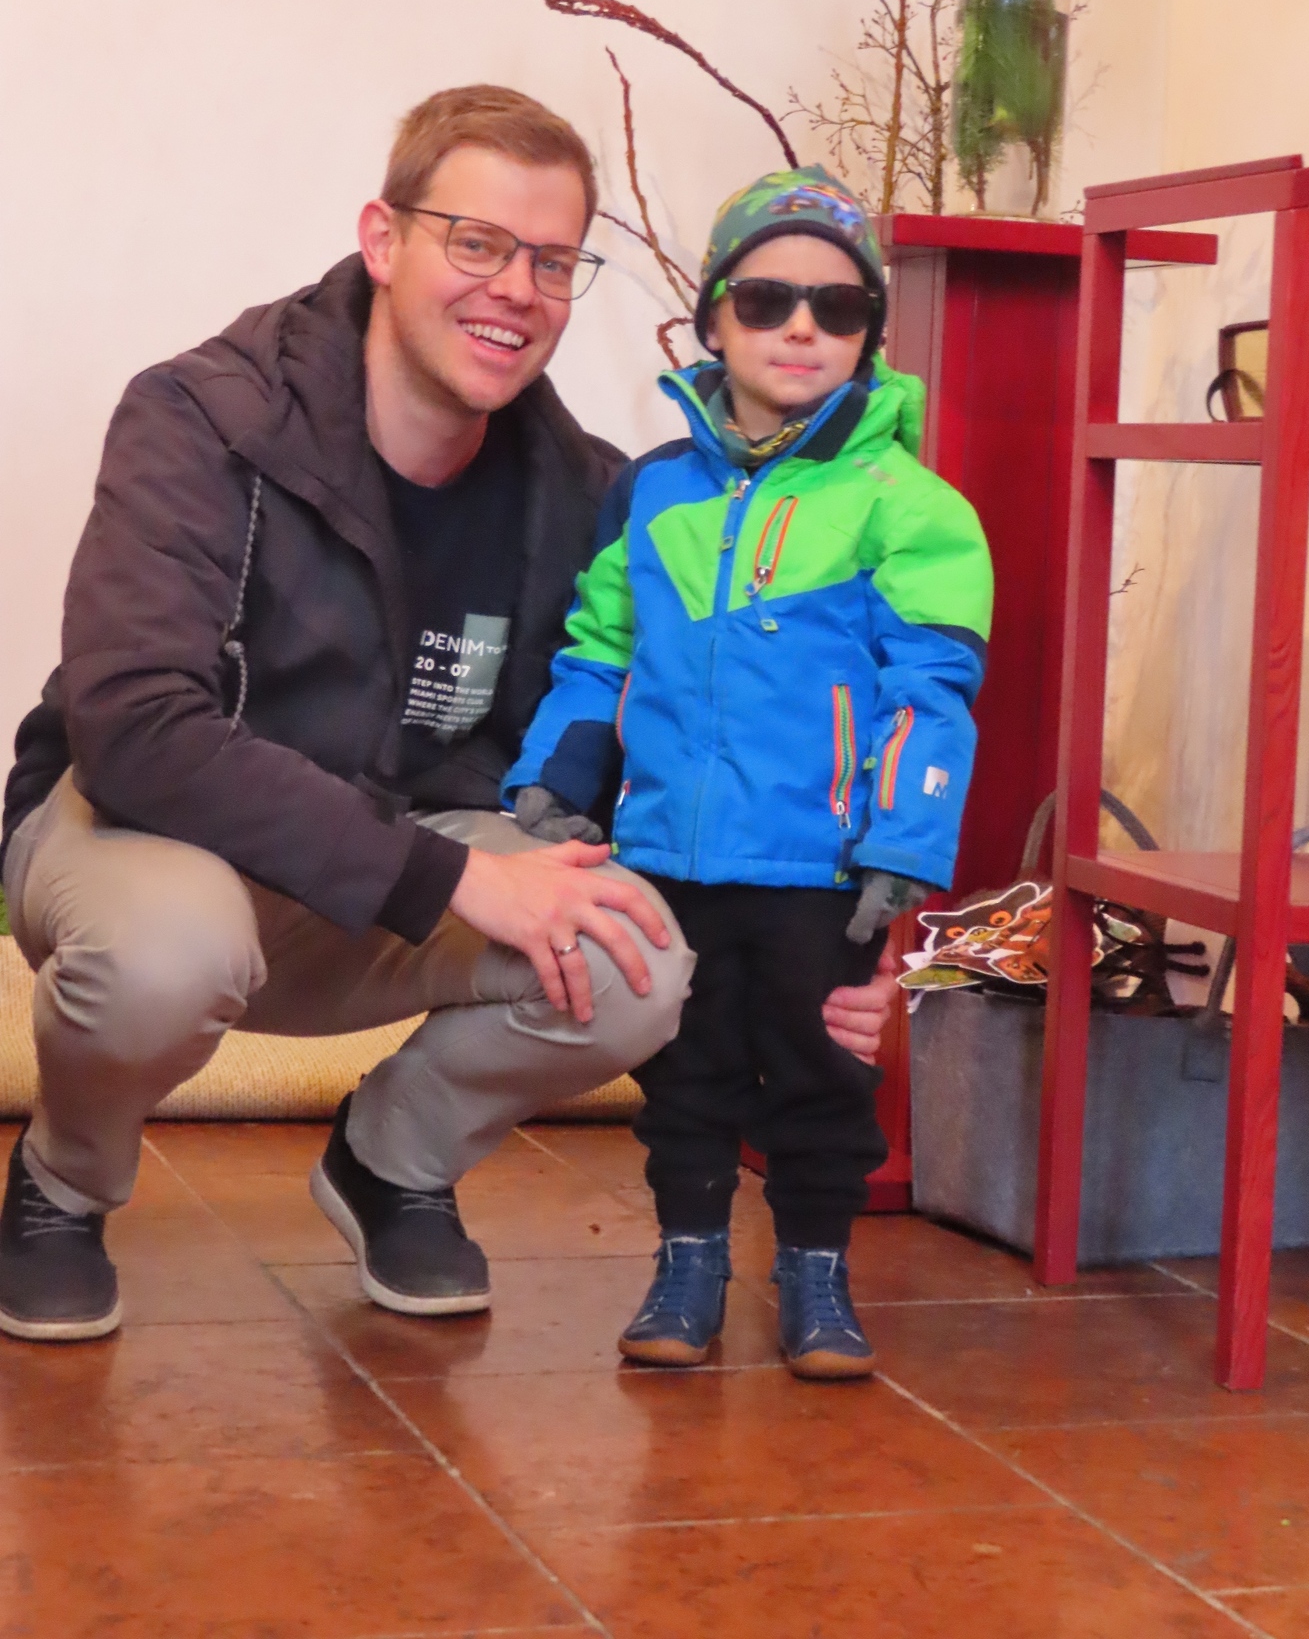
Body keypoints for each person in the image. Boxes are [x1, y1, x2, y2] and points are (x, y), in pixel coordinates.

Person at [0, 91, 899, 1344]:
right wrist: (462, 881)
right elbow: (135, 727)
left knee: (640, 956)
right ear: (383, 240)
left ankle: (390, 1160)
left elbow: (687, 746)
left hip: (399, 859)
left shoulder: (587, 492)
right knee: (165, 960)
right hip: (155, 838)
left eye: (552, 261)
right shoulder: (203, 417)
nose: (514, 290)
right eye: (476, 243)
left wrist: (830, 951)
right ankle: (62, 1184)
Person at [506, 166, 993, 1380]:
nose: (802, 329)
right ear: (713, 319)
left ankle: (817, 1272)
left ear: (871, 332)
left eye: (840, 308)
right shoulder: (651, 490)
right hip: (668, 852)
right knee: (686, 1075)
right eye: (769, 299)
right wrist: (556, 778)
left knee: (824, 1067)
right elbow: (601, 652)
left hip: (821, 867)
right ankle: (688, 1262)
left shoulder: (910, 506)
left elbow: (933, 691)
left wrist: (902, 847)